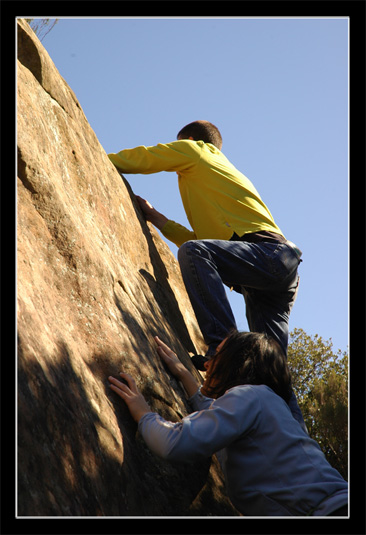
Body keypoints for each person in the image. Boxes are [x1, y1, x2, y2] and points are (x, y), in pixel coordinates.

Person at [108, 120, 304, 427]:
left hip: (267, 256)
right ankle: (297, 441)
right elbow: (202, 240)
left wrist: (101, 158)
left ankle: (222, 349)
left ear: (188, 140)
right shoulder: (217, 176)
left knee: (196, 253)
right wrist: (158, 218)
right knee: (273, 372)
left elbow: (147, 156)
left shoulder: (197, 151)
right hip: (274, 271)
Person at [108, 331, 348, 517]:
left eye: (216, 357)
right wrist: (184, 375)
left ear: (239, 364)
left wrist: (143, 413)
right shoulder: (265, 403)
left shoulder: (251, 396)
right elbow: (216, 414)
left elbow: (175, 443)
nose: (207, 364)